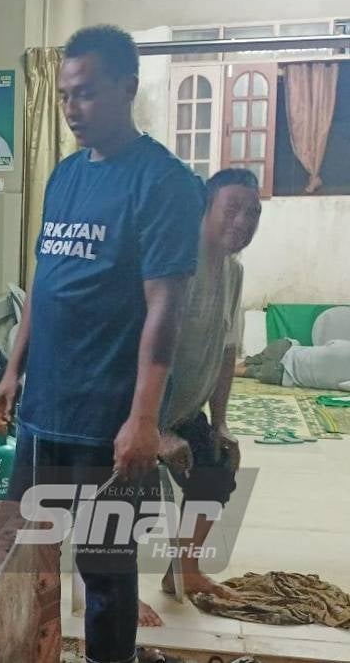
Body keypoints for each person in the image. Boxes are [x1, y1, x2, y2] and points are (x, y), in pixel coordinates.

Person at [0, 26, 204, 663]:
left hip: (107, 419)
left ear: (126, 89)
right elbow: (44, 281)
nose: (72, 109)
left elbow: (166, 309)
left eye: (84, 95)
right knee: (19, 553)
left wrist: (144, 419)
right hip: (43, 412)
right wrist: (12, 370)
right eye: (63, 96)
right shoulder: (64, 176)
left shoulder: (164, 183)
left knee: (105, 572)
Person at [137, 168, 262, 628]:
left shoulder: (233, 272)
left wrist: (221, 421)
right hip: (134, 409)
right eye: (233, 208)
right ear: (205, 209)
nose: (243, 221)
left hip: (184, 408)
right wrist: (152, 428)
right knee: (136, 492)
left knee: (216, 466)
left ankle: (184, 572)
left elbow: (227, 350)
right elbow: (136, 343)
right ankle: (111, 588)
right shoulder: (174, 262)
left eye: (253, 212)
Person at [237, 338, 350, 391]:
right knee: (247, 372)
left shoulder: (344, 344)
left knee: (252, 360)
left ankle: (240, 362)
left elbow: (329, 344)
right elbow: (343, 386)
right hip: (280, 374)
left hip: (283, 348)